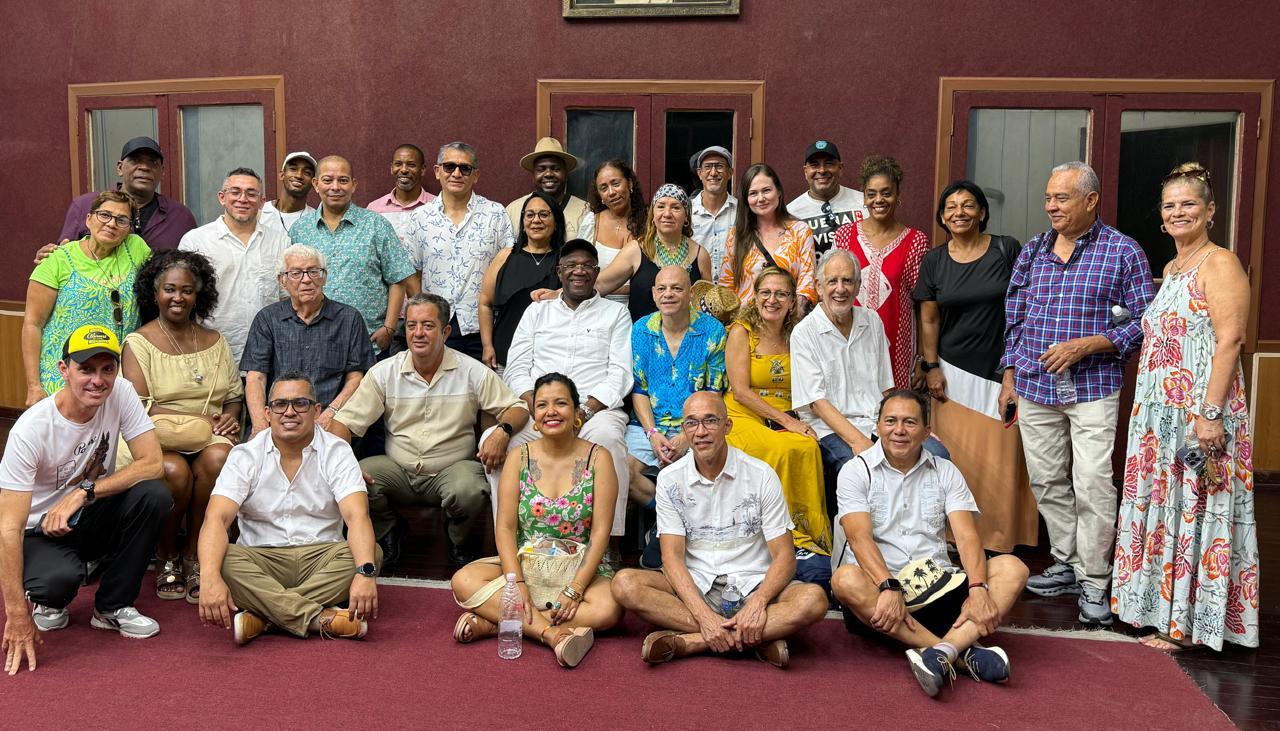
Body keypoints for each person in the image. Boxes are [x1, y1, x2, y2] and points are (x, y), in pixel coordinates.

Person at [1000, 161, 1154, 626]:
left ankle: (1094, 581)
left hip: (1093, 387)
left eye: (1061, 198)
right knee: (1047, 479)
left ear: (1090, 200)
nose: (1051, 206)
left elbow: (1145, 320)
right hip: (1033, 383)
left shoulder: (1123, 252)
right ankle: (1065, 561)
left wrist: (1091, 344)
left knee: (1091, 482)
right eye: (1048, 198)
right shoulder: (1033, 251)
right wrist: (1009, 374)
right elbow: (1015, 315)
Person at [1112, 164, 1259, 651]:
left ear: (1210, 211)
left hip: (1199, 416)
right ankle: (1159, 613)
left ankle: (1190, 629)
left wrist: (1210, 416)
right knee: (1166, 511)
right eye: (1170, 206)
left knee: (1198, 509)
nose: (1178, 212)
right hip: (1158, 417)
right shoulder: (1175, 267)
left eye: (1189, 204)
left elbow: (1231, 339)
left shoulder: (1220, 263)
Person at [830, 390, 1029, 698]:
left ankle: (940, 653)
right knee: (844, 579)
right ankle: (959, 650)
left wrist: (978, 589)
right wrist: (888, 586)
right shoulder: (856, 471)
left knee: (1012, 568)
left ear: (926, 431)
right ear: (877, 425)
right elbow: (859, 538)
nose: (899, 430)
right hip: (883, 598)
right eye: (891, 421)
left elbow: (966, 537)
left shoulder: (944, 471)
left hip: (941, 588)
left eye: (910, 422)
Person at [611, 392, 829, 668]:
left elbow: (785, 556)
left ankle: (694, 642)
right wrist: (704, 615)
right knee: (625, 584)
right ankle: (754, 640)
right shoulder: (670, 479)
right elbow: (671, 558)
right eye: (691, 423)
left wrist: (759, 603)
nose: (700, 432)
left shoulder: (761, 474)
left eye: (710, 421)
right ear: (684, 430)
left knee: (813, 600)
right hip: (696, 585)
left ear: (728, 426)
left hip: (754, 582)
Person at [0, 325, 170, 673]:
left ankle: (112, 606)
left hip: (88, 511)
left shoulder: (121, 393)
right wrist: (16, 613)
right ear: (64, 370)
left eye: (107, 368)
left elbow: (152, 463)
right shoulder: (31, 430)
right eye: (86, 369)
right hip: (39, 529)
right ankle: (49, 600)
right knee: (56, 582)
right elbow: (8, 527)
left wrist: (84, 492)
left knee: (153, 495)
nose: (98, 380)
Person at [330, 294, 529, 567]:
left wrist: (501, 431)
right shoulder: (384, 372)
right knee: (358, 479)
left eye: (428, 325)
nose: (418, 333)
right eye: (411, 326)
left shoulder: (471, 370)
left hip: (452, 469)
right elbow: (343, 424)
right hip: (398, 469)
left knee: (470, 490)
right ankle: (389, 531)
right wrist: (345, 465)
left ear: (445, 331)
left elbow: (517, 408)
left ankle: (459, 540)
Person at [450, 373, 622, 668]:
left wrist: (575, 589)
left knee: (610, 609)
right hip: (528, 564)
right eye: (542, 405)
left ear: (576, 411)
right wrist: (516, 582)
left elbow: (601, 533)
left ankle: (499, 622)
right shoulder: (519, 456)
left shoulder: (599, 458)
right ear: (534, 415)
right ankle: (549, 633)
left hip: (579, 566)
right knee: (462, 581)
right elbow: (504, 527)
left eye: (561, 403)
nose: (551, 412)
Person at [197, 372, 379, 644]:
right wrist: (209, 578)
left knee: (369, 554)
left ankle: (265, 617)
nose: (290, 412)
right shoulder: (246, 455)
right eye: (281, 404)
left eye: (300, 404)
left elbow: (357, 517)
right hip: (261, 557)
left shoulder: (337, 452)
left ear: (317, 410)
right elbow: (215, 519)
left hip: (321, 557)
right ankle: (318, 618)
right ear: (268, 413)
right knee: (221, 561)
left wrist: (365, 574)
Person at [912, 180, 1037, 552]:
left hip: (1002, 370)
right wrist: (931, 365)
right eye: (950, 207)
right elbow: (929, 318)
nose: (959, 212)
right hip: (952, 372)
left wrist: (1014, 367)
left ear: (982, 212)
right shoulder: (934, 260)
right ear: (942, 216)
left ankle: (999, 540)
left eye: (968, 205)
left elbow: (1026, 309)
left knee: (1001, 459)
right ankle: (955, 539)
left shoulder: (1005, 249)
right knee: (957, 458)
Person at [120, 250, 242, 603]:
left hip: (210, 437)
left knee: (219, 460)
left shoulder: (215, 341)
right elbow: (140, 404)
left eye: (187, 290)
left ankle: (196, 554)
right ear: (155, 293)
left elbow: (233, 394)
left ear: (198, 295)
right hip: (158, 435)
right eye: (170, 289)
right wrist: (200, 419)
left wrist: (231, 415)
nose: (178, 297)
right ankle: (167, 554)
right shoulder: (138, 342)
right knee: (173, 470)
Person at [493, 239, 633, 539]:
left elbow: (620, 373)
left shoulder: (615, 314)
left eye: (586, 266)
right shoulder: (536, 312)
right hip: (539, 409)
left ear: (596, 272)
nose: (578, 271)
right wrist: (540, 407)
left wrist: (583, 411)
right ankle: (508, 535)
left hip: (595, 410)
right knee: (497, 443)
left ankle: (609, 539)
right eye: (571, 265)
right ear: (559, 272)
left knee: (609, 440)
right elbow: (516, 368)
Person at [722, 267, 828, 573]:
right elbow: (740, 392)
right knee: (778, 449)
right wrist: (790, 422)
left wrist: (796, 421)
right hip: (744, 414)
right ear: (754, 297)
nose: (772, 299)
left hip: (786, 413)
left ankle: (807, 539)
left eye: (781, 293)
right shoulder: (743, 331)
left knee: (807, 448)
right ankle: (777, 536)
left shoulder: (800, 333)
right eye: (765, 292)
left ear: (793, 301)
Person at [24, 191, 151, 403]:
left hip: (113, 375)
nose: (111, 224)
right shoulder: (57, 260)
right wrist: (33, 386)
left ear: (129, 228)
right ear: (88, 219)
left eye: (121, 220)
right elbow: (32, 324)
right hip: (64, 375)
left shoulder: (135, 248)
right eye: (104, 215)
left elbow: (164, 275)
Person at [288, 155, 420, 356]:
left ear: (353, 185)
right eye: (327, 180)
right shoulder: (300, 230)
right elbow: (291, 281)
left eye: (343, 180)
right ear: (315, 184)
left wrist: (389, 328)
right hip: (313, 341)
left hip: (369, 342)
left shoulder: (376, 225)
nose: (335, 187)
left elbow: (398, 279)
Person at [241, 245, 375, 437]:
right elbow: (256, 377)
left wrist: (331, 414)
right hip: (279, 418)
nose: (306, 280)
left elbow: (356, 377)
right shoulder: (267, 319)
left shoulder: (349, 318)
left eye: (313, 272)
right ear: (282, 281)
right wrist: (260, 425)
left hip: (329, 416)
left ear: (324, 277)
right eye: (296, 273)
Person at [403, 142, 515, 360]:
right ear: (437, 172)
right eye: (449, 167)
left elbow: (508, 267)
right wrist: (423, 317)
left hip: (484, 329)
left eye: (465, 168)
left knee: (480, 392)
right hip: (435, 329)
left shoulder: (495, 214)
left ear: (476, 175)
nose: (456, 173)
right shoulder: (420, 218)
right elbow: (411, 273)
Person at [628, 265, 727, 505]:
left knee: (706, 476)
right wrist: (653, 434)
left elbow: (715, 392)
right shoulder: (642, 330)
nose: (668, 294)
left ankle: (684, 525)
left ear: (690, 294)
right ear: (653, 293)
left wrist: (687, 434)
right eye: (661, 289)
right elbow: (639, 389)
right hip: (650, 426)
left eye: (676, 288)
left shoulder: (712, 331)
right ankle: (665, 517)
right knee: (622, 472)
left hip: (698, 425)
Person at [791, 249, 893, 478]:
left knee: (936, 454)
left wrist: (905, 425)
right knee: (861, 471)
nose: (840, 289)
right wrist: (859, 442)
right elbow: (817, 403)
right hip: (830, 429)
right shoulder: (804, 333)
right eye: (832, 281)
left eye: (847, 280)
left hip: (876, 422)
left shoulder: (872, 321)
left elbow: (887, 388)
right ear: (818, 287)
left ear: (858, 286)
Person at [833, 155, 930, 390]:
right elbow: (831, 293)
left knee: (894, 413)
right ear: (864, 197)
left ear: (898, 196)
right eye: (871, 193)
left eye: (886, 193)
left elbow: (924, 305)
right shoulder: (845, 236)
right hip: (849, 341)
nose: (879, 200)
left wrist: (923, 358)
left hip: (897, 347)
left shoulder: (916, 241)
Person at [178, 167, 289, 363]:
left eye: (251, 193)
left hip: (268, 354)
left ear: (262, 202)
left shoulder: (280, 242)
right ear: (222, 197)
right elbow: (183, 300)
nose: (243, 199)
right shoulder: (196, 241)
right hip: (212, 353)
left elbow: (287, 297)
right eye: (235, 192)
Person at [52, 136, 196, 253]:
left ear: (162, 172)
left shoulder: (180, 216)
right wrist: (50, 255)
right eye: (135, 160)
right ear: (120, 168)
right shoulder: (86, 205)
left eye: (153, 162)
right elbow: (64, 256)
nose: (144, 167)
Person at [590, 184, 712, 321]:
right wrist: (566, 293)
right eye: (660, 206)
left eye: (676, 207)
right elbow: (600, 284)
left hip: (688, 337)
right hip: (643, 337)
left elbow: (709, 306)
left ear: (686, 217)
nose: (667, 214)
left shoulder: (700, 255)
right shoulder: (636, 250)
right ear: (653, 216)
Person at [479, 192, 565, 370]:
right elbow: (485, 303)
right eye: (530, 214)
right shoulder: (506, 256)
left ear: (556, 222)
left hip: (550, 359)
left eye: (544, 214)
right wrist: (487, 346)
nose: (536, 220)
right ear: (523, 223)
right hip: (503, 356)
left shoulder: (566, 260)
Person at [720, 164, 817, 308]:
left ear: (778, 191)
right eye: (753, 193)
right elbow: (726, 287)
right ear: (746, 199)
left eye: (766, 190)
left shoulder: (800, 231)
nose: (761, 198)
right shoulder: (736, 236)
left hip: (787, 321)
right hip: (745, 323)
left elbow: (807, 283)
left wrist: (793, 320)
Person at [578, 159, 647, 304]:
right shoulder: (592, 223)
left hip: (643, 308)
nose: (611, 192)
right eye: (603, 188)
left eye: (616, 184)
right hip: (597, 307)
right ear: (600, 196)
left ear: (630, 184)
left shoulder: (650, 222)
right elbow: (580, 272)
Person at [786, 140, 868, 256]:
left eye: (829, 163)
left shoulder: (864, 202)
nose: (822, 170)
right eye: (814, 165)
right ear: (805, 171)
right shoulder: (790, 213)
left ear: (840, 168)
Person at [506, 137, 590, 240]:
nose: (549, 174)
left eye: (556, 169)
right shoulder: (514, 210)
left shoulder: (585, 211)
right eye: (541, 170)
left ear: (566, 174)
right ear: (533, 175)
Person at [366, 143, 436, 241]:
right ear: (391, 168)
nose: (403, 170)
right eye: (398, 164)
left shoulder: (437, 206)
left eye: (411, 165)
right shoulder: (374, 209)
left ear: (423, 169)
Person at [689, 146, 737, 283]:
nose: (713, 172)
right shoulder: (686, 212)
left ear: (730, 172)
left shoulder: (742, 212)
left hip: (732, 295)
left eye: (719, 166)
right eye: (708, 167)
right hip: (695, 293)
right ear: (699, 173)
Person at [260, 151, 317, 235]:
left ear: (313, 182)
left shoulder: (315, 220)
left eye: (307, 173)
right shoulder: (261, 212)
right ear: (282, 175)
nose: (299, 175)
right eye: (293, 169)